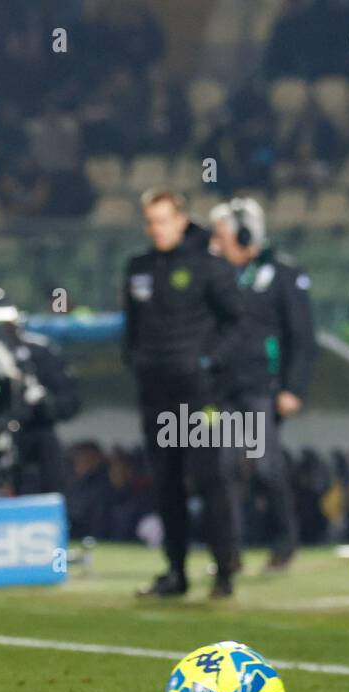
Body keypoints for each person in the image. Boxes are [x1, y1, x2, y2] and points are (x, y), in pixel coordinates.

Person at [123, 189, 246, 598]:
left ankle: (224, 570)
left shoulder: (209, 266)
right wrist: (136, 361)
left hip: (200, 397)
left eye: (163, 220)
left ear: (181, 220)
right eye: (151, 221)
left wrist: (208, 363)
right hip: (155, 394)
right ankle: (175, 572)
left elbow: (237, 323)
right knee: (166, 484)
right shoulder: (138, 268)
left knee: (212, 480)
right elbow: (131, 329)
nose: (156, 228)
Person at [208, 197, 315, 572]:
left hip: (261, 387)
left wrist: (293, 387)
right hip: (223, 388)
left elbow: (301, 336)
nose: (216, 243)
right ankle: (229, 552)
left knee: (266, 467)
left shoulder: (283, 274)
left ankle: (284, 542)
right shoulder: (218, 276)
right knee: (221, 471)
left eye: (222, 235)